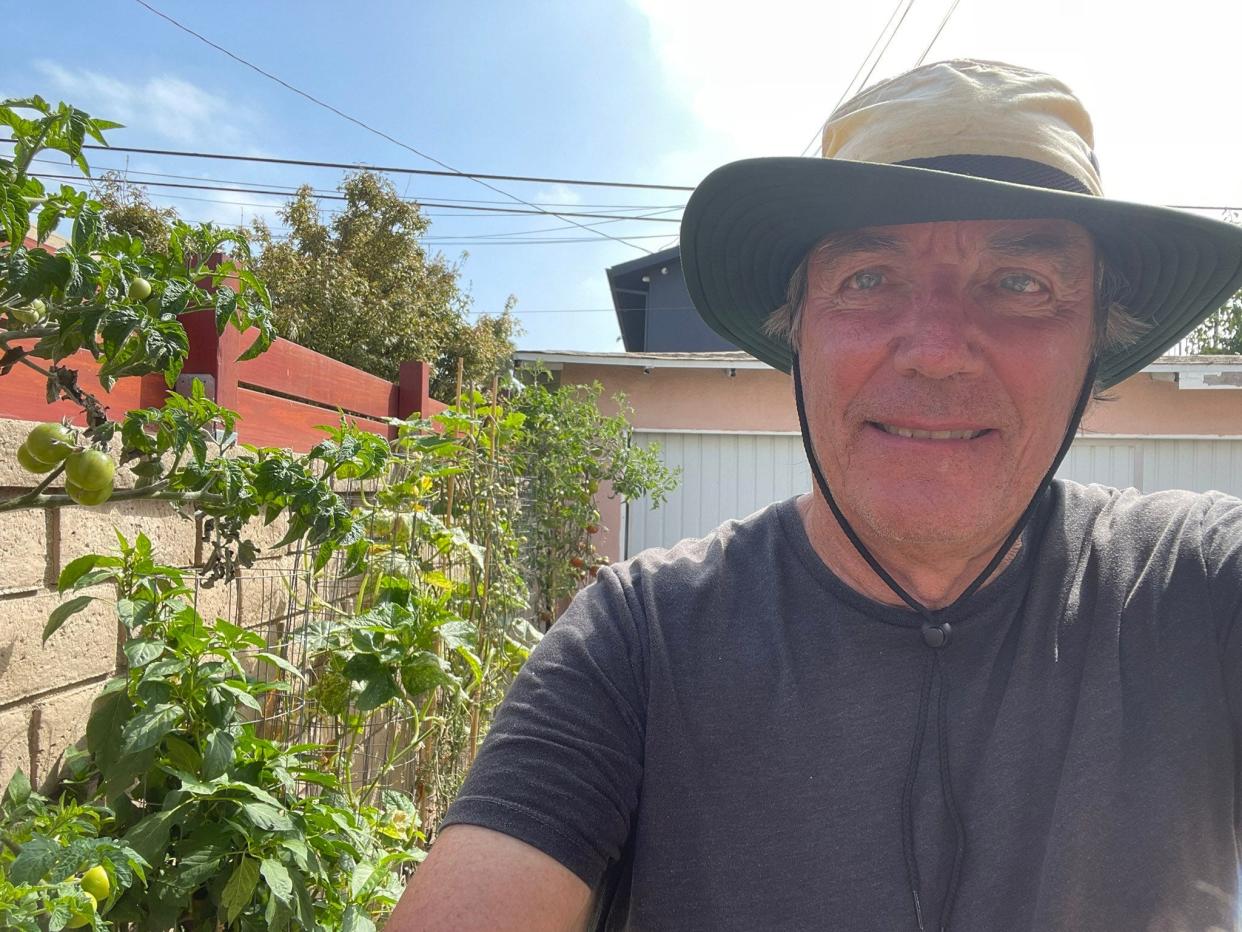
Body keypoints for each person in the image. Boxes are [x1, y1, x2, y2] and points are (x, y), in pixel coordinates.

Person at [390, 60, 1242, 931]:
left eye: (1022, 284)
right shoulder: (639, 639)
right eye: (868, 277)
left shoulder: (1196, 589)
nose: (938, 351)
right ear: (796, 330)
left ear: (1097, 341)